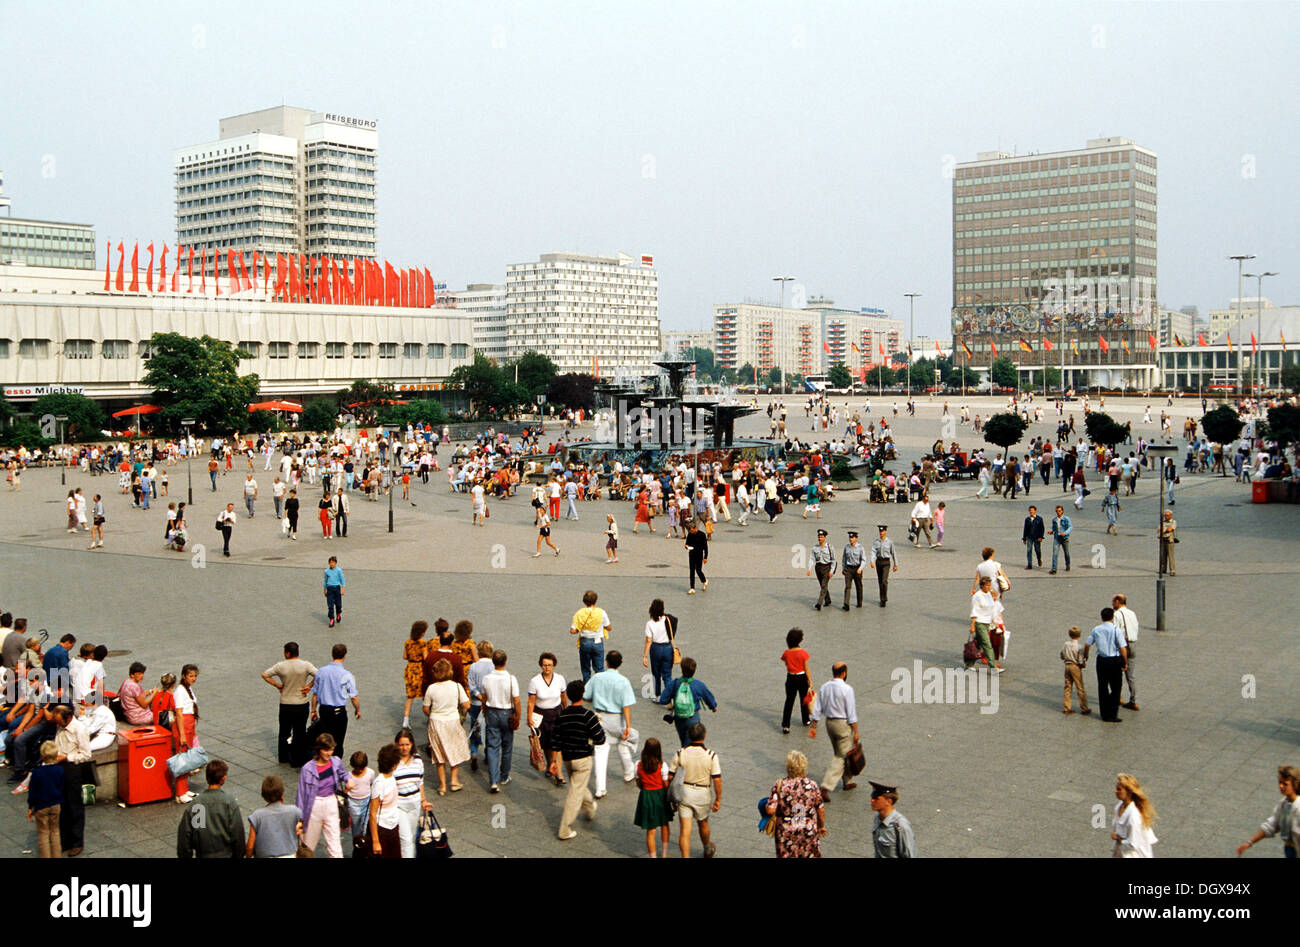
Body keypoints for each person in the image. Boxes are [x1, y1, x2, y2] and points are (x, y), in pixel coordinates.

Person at [583, 650, 639, 799]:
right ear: (620, 663)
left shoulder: (597, 678)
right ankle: (628, 772)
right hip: (617, 718)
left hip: (599, 717)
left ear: (607, 662)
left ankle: (600, 788)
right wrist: (628, 726)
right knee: (623, 744)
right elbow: (626, 706)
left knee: (601, 752)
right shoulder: (623, 681)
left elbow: (586, 696)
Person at [554, 679, 604, 840]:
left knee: (578, 785)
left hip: (568, 758)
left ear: (568, 696)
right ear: (582, 695)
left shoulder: (562, 715)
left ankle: (589, 809)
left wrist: (554, 762)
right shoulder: (588, 715)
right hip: (583, 758)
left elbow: (555, 740)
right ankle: (564, 828)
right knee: (574, 794)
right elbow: (600, 738)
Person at [665, 721, 722, 858]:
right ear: (704, 736)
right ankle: (707, 848)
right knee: (703, 823)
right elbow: (717, 780)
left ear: (689, 736)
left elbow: (670, 776)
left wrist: (670, 797)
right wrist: (718, 799)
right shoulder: (711, 755)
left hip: (684, 793)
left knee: (685, 831)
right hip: (703, 794)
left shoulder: (680, 753)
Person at [262, 642, 317, 768]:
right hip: (301, 704)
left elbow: (265, 675)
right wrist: (308, 686)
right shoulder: (305, 665)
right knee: (300, 731)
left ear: (287, 653)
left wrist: (278, 685)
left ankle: (283, 756)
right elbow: (319, 675)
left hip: (286, 703)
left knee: (284, 731)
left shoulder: (281, 666)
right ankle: (298, 757)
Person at [808, 662, 859, 798]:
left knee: (842, 752)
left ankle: (848, 780)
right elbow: (851, 713)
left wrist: (814, 726)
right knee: (840, 756)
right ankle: (826, 786)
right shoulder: (847, 689)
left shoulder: (825, 687)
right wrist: (856, 732)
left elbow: (817, 708)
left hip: (829, 724)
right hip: (842, 725)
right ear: (844, 673)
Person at [177, 760, 245, 858]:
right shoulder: (229, 802)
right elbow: (237, 834)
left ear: (207, 777)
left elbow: (185, 836)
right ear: (223, 778)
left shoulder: (196, 804)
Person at [765, 749, 826, 858]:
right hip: (807, 829)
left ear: (788, 767)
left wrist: (765, 804)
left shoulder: (780, 785)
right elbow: (820, 809)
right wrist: (821, 826)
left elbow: (770, 810)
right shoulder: (812, 785)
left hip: (786, 832)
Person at [422, 659, 471, 794]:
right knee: (454, 750)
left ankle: (442, 785)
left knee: (439, 755)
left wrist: (431, 713)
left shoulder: (431, 688)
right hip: (452, 721)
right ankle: (454, 780)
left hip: (436, 721)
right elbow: (466, 704)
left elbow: (425, 708)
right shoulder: (456, 686)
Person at [477, 649, 520, 794]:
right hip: (506, 712)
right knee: (507, 746)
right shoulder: (511, 679)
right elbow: (517, 701)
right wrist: (518, 717)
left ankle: (493, 781)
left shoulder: (487, 678)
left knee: (492, 747)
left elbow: (484, 697)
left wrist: (484, 709)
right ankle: (504, 775)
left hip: (491, 712)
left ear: (493, 662)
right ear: (505, 662)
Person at [52, 704, 91, 856]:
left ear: (68, 718)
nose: (57, 725)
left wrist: (67, 757)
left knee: (74, 806)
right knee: (62, 806)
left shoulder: (79, 729)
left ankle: (76, 842)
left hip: (72, 768)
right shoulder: (60, 727)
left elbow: (86, 754)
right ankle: (65, 840)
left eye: (59, 721)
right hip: (59, 767)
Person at [1237, 766, 1300, 857]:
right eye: (1280, 782)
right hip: (1289, 848)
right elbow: (1272, 825)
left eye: (1285, 784)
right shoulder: (1284, 804)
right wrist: (1250, 842)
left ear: (1295, 784)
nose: (1281, 786)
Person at [310, 644, 360, 758]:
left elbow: (315, 693)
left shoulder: (321, 671)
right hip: (338, 712)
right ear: (345, 655)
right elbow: (354, 696)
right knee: (338, 741)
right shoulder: (346, 675)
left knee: (325, 740)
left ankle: (324, 761)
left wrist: (313, 710)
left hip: (324, 710)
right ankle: (336, 764)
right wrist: (357, 709)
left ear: (332, 654)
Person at [657, 656, 718, 747]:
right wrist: (713, 707)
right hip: (693, 718)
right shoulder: (699, 685)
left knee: (684, 742)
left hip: (679, 718)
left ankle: (684, 755)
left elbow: (663, 699)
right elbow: (709, 699)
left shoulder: (674, 683)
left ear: (682, 669)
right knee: (690, 744)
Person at [152, 673, 193, 803]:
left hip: (157, 728)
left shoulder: (157, 695)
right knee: (181, 758)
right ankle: (181, 790)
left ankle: (183, 789)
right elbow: (178, 714)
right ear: (173, 684)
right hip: (170, 731)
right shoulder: (172, 697)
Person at [527, 652, 567, 786]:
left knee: (558, 744)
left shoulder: (560, 679)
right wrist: (529, 718)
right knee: (546, 744)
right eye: (544, 665)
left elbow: (563, 697)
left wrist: (566, 712)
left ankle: (559, 774)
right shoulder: (535, 681)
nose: (547, 668)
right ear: (541, 666)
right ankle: (551, 764)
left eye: (549, 665)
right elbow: (531, 702)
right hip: (541, 715)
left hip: (556, 714)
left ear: (554, 666)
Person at [392, 727, 433, 857]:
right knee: (406, 838)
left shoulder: (418, 760)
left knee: (412, 835)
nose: (404, 748)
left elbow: (420, 782)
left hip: (414, 802)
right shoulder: (393, 762)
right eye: (401, 745)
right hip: (399, 804)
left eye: (407, 745)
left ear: (412, 744)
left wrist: (424, 800)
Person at [1083, 607, 1128, 723]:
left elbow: (1087, 645)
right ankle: (1113, 714)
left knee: (1102, 686)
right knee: (1116, 687)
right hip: (1114, 660)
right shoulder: (1116, 630)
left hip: (1102, 661)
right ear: (1112, 617)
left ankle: (1104, 714)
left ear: (1101, 617)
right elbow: (1123, 648)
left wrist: (1086, 656)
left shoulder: (1096, 629)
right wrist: (1125, 661)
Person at [246, 774, 303, 858]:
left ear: (263, 796)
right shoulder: (295, 811)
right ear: (282, 793)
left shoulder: (257, 816)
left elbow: (250, 846)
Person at [633, 738, 671, 857]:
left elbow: (638, 783)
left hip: (646, 796)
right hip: (660, 796)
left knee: (651, 830)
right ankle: (664, 852)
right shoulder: (662, 765)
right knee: (664, 824)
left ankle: (653, 856)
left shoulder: (638, 764)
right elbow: (665, 784)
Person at [26, 741, 65, 859]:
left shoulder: (37, 773)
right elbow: (62, 786)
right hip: (56, 804)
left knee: (43, 833)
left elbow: (32, 792)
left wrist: (30, 807)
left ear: (42, 755)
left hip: (41, 806)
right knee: (55, 831)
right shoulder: (60, 770)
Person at [464, 639, 494, 774]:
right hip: (490, 704)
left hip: (475, 702)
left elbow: (471, 685)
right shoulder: (493, 667)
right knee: (490, 728)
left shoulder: (474, 666)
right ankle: (488, 754)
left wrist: (478, 695)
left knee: (474, 726)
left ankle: (474, 752)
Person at [368, 743, 403, 858]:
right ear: (393, 765)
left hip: (393, 826)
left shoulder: (392, 778)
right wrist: (375, 841)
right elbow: (372, 813)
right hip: (382, 829)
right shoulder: (379, 783)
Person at [1111, 773, 1157, 857]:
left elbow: (1133, 844)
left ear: (1129, 792)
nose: (1115, 791)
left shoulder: (1134, 817)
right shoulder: (1119, 807)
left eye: (1119, 789)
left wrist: (1118, 838)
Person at [569, 589, 611, 683]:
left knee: (585, 668)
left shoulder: (579, 613)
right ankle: (600, 687)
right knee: (599, 668)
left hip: (585, 642)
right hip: (598, 642)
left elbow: (572, 630)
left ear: (584, 601)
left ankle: (587, 687)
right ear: (595, 600)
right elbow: (609, 627)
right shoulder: (601, 613)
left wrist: (579, 630)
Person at [869, 779, 916, 858]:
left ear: (888, 801)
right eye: (872, 797)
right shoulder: (878, 818)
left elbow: (910, 854)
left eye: (877, 798)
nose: (871, 800)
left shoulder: (901, 826)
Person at [779, 628, 811, 734]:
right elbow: (806, 668)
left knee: (789, 701)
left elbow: (786, 663)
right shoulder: (803, 653)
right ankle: (805, 720)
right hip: (802, 677)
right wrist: (810, 681)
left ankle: (786, 725)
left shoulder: (786, 653)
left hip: (791, 678)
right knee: (803, 700)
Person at [967, 577, 1003, 672]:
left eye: (989, 585)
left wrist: (995, 622)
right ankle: (993, 666)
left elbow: (992, 608)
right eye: (987, 585)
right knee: (987, 644)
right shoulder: (977, 596)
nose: (988, 587)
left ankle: (969, 664)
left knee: (978, 644)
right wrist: (972, 625)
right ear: (982, 585)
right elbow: (974, 611)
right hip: (980, 622)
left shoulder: (988, 595)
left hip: (987, 622)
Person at [641, 599, 675, 699]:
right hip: (668, 647)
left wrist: (645, 656)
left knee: (656, 674)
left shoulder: (650, 624)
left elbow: (648, 640)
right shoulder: (668, 620)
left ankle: (657, 695)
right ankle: (670, 696)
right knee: (667, 674)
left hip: (656, 648)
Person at [1111, 594, 1140, 712]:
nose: (1112, 604)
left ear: (1118, 601)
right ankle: (1134, 701)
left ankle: (1118, 697)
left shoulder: (1117, 614)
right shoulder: (1132, 613)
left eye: (1113, 602)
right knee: (1130, 676)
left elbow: (1115, 631)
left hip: (1123, 646)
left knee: (1116, 674)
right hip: (1133, 644)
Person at [344, 751, 374, 858]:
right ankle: (357, 846)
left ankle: (365, 847)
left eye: (361, 768)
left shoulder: (370, 773)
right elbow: (345, 791)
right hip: (353, 803)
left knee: (366, 826)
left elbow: (371, 784)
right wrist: (347, 789)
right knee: (356, 827)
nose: (359, 771)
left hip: (366, 802)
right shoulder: (349, 776)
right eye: (356, 769)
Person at [401, 621, 430, 729]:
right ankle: (430, 717)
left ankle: (405, 720)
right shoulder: (423, 643)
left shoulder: (408, 642)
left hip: (410, 669)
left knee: (410, 696)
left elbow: (404, 656)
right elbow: (426, 658)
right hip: (419, 670)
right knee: (425, 695)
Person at [118, 661, 159, 726]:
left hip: (129, 715)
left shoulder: (126, 681)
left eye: (142, 673)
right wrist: (154, 694)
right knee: (161, 717)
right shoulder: (134, 686)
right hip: (138, 717)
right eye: (139, 674)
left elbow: (137, 695)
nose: (142, 675)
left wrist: (151, 691)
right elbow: (144, 704)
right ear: (132, 675)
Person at [1060, 626, 1090, 715]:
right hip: (1075, 667)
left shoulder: (1066, 644)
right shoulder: (1080, 647)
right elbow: (1080, 660)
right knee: (1080, 687)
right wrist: (1083, 664)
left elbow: (1062, 654)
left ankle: (1067, 707)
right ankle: (1084, 707)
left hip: (1067, 666)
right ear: (1079, 635)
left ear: (1069, 634)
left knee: (1068, 686)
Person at [806, 529, 836, 610]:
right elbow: (812, 558)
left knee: (823, 585)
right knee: (823, 585)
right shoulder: (815, 547)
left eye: (822, 537)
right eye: (819, 537)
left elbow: (833, 560)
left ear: (825, 537)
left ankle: (819, 603)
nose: (820, 539)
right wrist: (809, 569)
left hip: (827, 567)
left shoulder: (830, 547)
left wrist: (832, 571)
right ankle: (828, 600)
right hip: (818, 568)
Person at [840, 529, 865, 610]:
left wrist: (860, 568)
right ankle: (846, 604)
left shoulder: (860, 548)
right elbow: (844, 558)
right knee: (847, 587)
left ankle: (859, 602)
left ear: (856, 539)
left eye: (852, 537)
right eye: (850, 537)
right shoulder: (846, 547)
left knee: (859, 586)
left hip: (857, 569)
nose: (851, 539)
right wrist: (843, 568)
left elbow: (864, 559)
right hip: (849, 569)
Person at [684, 519, 708, 594]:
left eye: (691, 530)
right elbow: (687, 543)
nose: (690, 532)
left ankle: (704, 580)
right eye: (689, 531)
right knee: (691, 571)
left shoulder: (702, 535)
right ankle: (692, 587)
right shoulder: (690, 534)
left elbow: (705, 547)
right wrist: (686, 546)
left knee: (698, 570)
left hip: (699, 554)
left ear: (695, 528)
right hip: (691, 554)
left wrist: (705, 557)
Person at [1049, 505, 1072, 574]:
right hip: (1057, 538)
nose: (1058, 512)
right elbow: (1053, 527)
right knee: (1055, 553)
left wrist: (1065, 533)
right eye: (1057, 511)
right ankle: (1054, 569)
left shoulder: (1066, 518)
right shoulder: (1054, 519)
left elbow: (1070, 527)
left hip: (1065, 538)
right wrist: (1051, 530)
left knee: (1066, 553)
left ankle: (1067, 564)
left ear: (1062, 511)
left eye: (1059, 511)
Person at [323, 556, 345, 627]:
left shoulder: (339, 571)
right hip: (330, 589)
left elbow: (342, 579)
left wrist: (343, 588)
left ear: (335, 563)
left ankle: (338, 613)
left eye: (333, 563)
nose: (332, 564)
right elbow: (325, 581)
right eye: (330, 563)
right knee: (330, 605)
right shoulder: (326, 571)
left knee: (338, 604)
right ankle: (331, 619)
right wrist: (324, 589)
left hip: (337, 588)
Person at [1159, 509, 1177, 576]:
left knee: (1171, 556)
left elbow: (1170, 529)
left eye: (1168, 515)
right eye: (1165, 515)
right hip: (1163, 540)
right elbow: (1158, 529)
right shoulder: (1163, 522)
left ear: (1171, 516)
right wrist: (1165, 529)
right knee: (1163, 556)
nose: (1166, 517)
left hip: (1170, 541)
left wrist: (1164, 529)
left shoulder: (1173, 522)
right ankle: (1164, 569)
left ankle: (1172, 570)